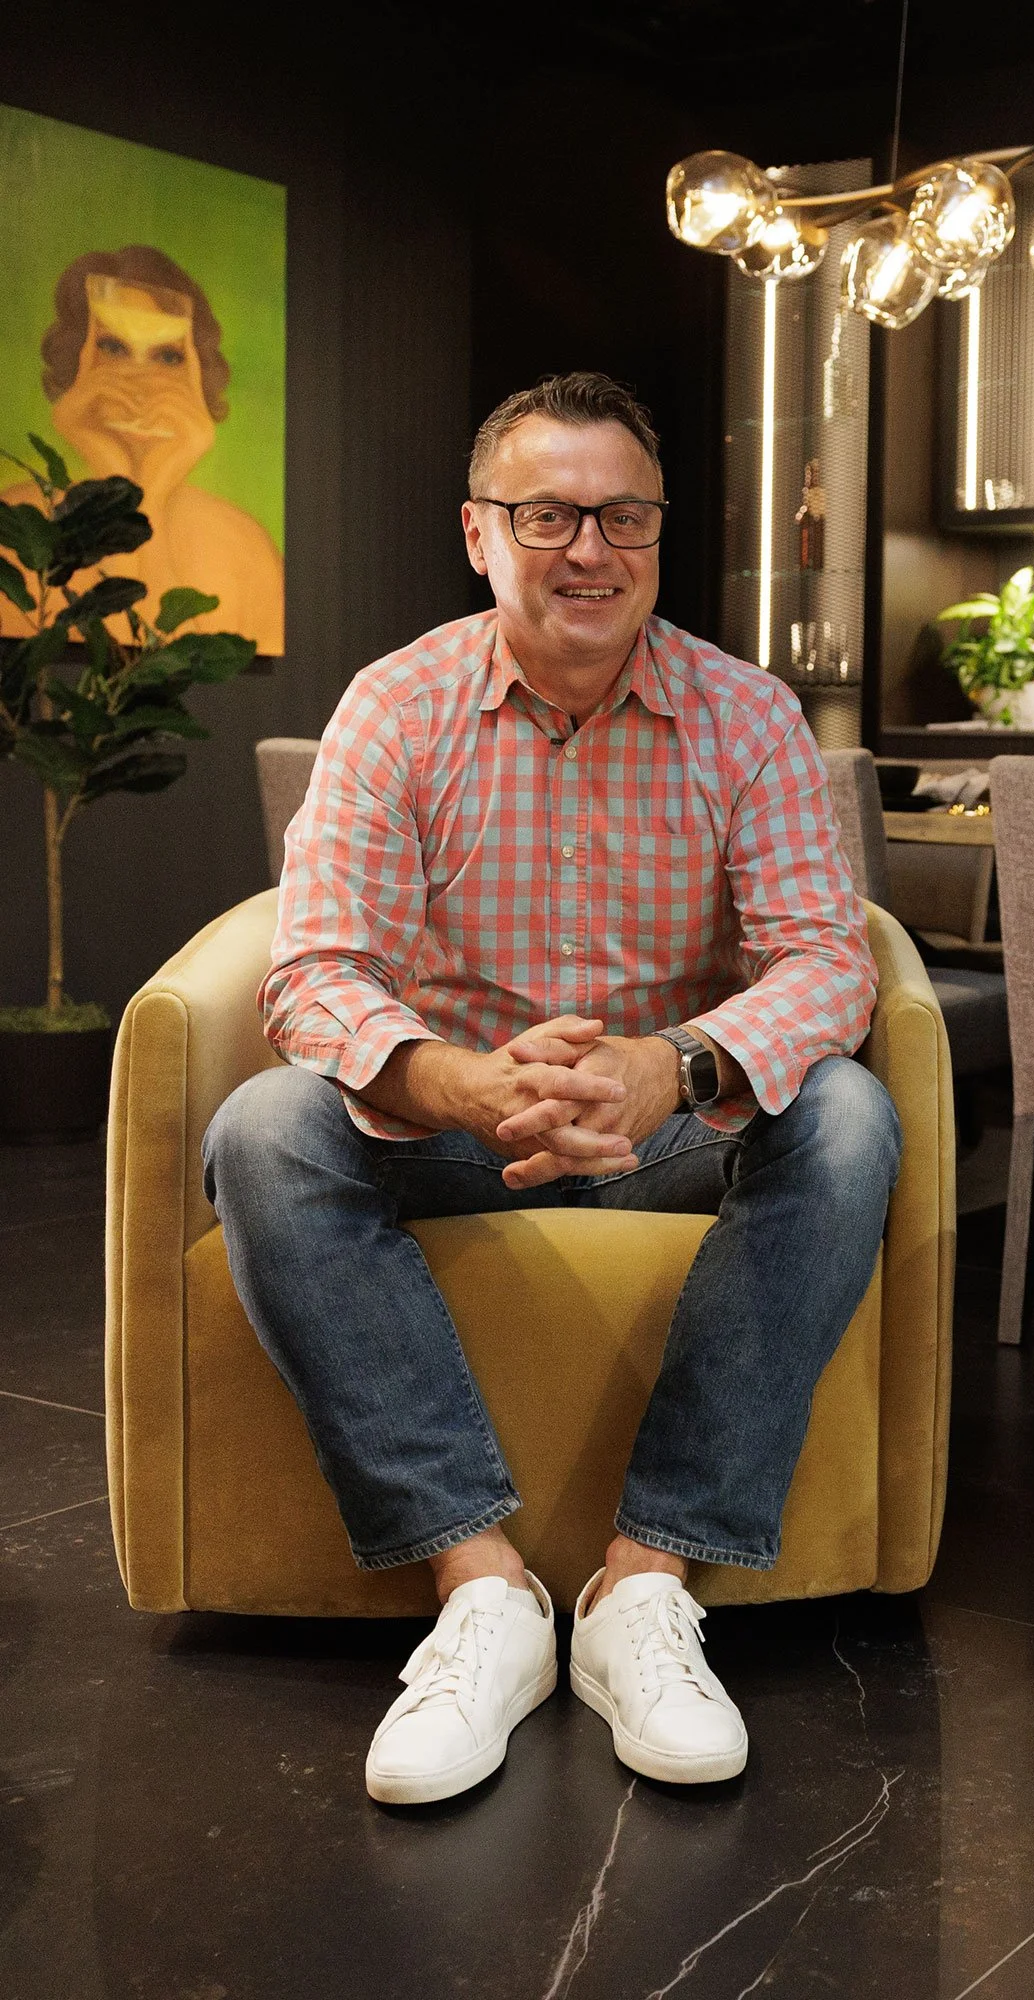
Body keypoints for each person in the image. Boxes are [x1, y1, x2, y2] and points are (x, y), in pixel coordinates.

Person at [202, 370, 900, 1806]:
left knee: (845, 1117)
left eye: (623, 516)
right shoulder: (396, 706)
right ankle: (483, 1590)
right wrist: (455, 1083)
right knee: (266, 1129)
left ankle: (645, 1584)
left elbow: (828, 960)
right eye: (547, 515)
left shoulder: (747, 715)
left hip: (673, 1131)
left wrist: (672, 1064)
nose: (590, 548)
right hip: (458, 1131)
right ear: (478, 533)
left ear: (659, 533)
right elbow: (316, 967)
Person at [0, 246, 284, 653]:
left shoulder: (245, 548)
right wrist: (112, 471)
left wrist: (153, 489)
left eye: (167, 356)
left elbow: (157, 665)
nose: (139, 380)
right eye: (113, 348)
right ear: (78, 358)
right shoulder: (16, 527)